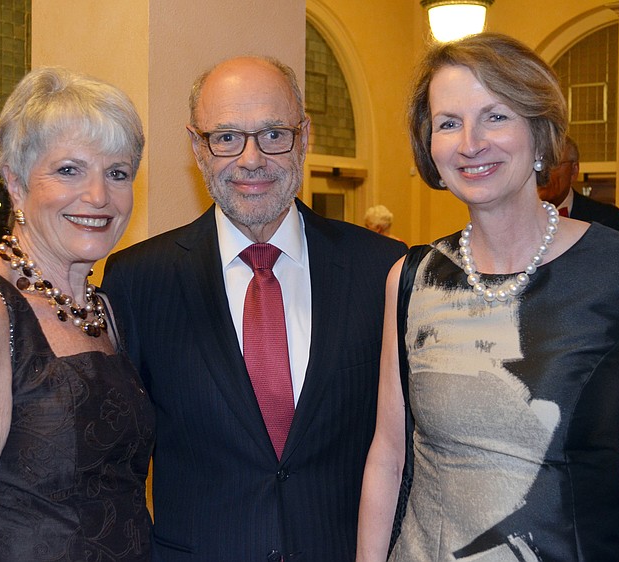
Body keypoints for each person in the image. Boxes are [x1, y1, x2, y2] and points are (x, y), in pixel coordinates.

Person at [357, 33, 619, 561]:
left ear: (540, 134)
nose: (470, 142)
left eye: (495, 116)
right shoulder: (410, 278)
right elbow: (389, 454)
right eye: (448, 123)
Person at [103, 56, 406, 561]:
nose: (251, 159)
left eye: (272, 134)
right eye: (226, 137)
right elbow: (118, 463)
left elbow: (404, 448)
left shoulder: (383, 270)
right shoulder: (138, 279)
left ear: (304, 137)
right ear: (197, 147)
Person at [0, 67, 153, 561]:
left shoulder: (102, 309)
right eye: (69, 170)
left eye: (118, 173)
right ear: (16, 184)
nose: (99, 196)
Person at [537, 135, 619, 234]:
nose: (542, 173)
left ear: (574, 171)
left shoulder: (608, 220)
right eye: (538, 164)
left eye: (553, 165)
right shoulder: (519, 217)